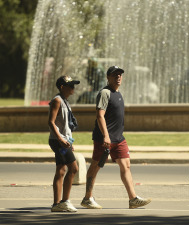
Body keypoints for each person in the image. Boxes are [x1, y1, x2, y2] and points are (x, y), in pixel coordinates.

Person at [81, 66, 151, 209]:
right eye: (115, 75)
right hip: (104, 139)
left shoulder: (118, 93)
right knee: (96, 166)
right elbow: (100, 115)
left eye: (120, 75)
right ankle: (87, 198)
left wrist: (115, 135)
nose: (118, 77)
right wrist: (106, 136)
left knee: (126, 166)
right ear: (108, 77)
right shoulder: (105, 93)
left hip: (118, 138)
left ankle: (133, 199)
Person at [48, 75, 80, 212]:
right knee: (73, 168)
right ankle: (64, 201)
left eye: (74, 85)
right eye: (70, 85)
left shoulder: (64, 101)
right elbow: (51, 122)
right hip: (58, 141)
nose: (73, 88)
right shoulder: (57, 100)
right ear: (62, 87)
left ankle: (56, 204)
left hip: (63, 141)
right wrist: (61, 140)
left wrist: (68, 140)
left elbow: (65, 125)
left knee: (61, 170)